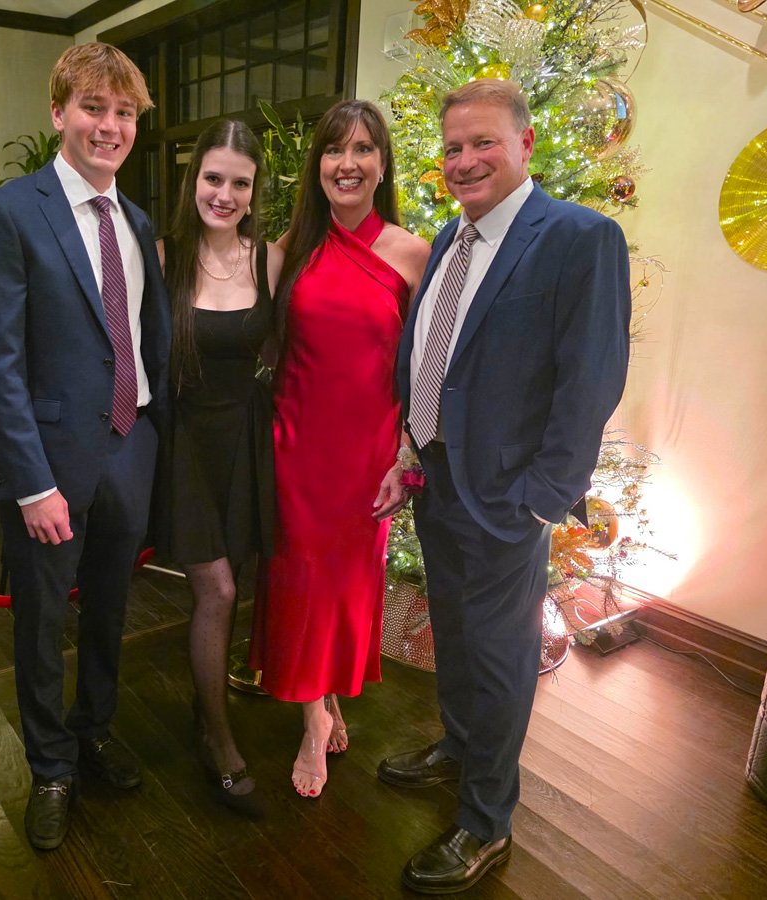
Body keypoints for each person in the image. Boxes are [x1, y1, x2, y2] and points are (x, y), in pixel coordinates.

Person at [380, 79, 631, 894]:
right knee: (454, 631)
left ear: (524, 144)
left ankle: (485, 822)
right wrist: (412, 447)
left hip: (507, 496)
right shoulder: (450, 241)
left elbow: (590, 378)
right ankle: (458, 745)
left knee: (499, 654)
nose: (464, 160)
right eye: (452, 148)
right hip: (439, 477)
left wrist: (540, 496)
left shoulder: (577, 238)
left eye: (482, 142)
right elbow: (434, 355)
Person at [0, 42, 170, 851]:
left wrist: (152, 438)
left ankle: (93, 732)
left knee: (112, 613)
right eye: (93, 108)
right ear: (58, 113)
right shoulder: (8, 212)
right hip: (48, 469)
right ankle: (49, 765)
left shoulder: (139, 221)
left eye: (123, 113)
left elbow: (145, 344)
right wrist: (30, 482)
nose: (109, 126)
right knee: (43, 623)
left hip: (131, 446)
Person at [248, 99, 430, 800]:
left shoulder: (413, 252)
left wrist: (406, 458)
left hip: (367, 458)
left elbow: (427, 368)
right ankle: (313, 717)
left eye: (362, 150)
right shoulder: (288, 248)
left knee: (345, 588)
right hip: (294, 446)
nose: (346, 163)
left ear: (383, 164)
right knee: (298, 585)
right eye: (333, 151)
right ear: (316, 166)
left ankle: (325, 698)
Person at [156, 119, 283, 819]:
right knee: (219, 591)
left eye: (239, 182)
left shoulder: (269, 259)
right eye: (213, 178)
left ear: (253, 189)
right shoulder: (163, 255)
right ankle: (219, 740)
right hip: (184, 444)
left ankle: (203, 707)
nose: (224, 194)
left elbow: (297, 347)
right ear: (193, 180)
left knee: (241, 580)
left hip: (247, 437)